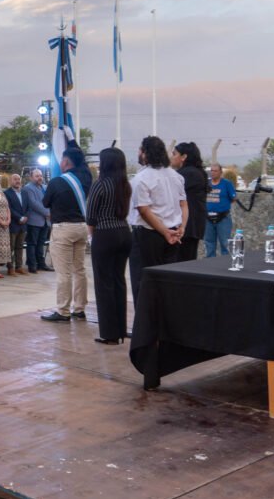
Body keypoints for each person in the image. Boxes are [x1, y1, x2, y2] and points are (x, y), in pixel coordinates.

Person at [129, 136, 187, 302]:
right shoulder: (176, 176)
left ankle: (145, 325)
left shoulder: (141, 179)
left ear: (146, 154)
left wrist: (164, 231)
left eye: (140, 150)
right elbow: (184, 205)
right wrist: (181, 226)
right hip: (173, 232)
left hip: (149, 234)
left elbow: (144, 210)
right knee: (166, 282)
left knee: (143, 282)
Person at [41, 148, 94, 322]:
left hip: (63, 229)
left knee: (64, 273)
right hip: (81, 227)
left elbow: (45, 202)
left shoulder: (57, 182)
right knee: (79, 269)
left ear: (66, 161)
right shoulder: (85, 179)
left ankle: (63, 310)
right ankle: (79, 308)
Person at [86, 148, 133, 344]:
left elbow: (90, 217)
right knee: (119, 281)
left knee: (104, 284)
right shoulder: (125, 185)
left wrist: (92, 239)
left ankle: (109, 333)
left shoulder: (100, 185)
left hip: (104, 234)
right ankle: (121, 329)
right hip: (124, 232)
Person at [172, 142, 208, 262]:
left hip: (187, 227)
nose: (172, 157)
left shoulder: (187, 174)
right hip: (191, 227)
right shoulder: (194, 172)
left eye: (174, 154)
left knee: (181, 263)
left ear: (184, 157)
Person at [204, 163, 237, 257]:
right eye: (212, 171)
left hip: (223, 218)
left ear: (220, 172)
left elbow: (233, 198)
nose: (213, 173)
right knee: (209, 243)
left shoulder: (226, 184)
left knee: (225, 243)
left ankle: (226, 264)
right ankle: (210, 265)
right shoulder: (206, 183)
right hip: (208, 218)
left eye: (215, 171)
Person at [23, 169, 52, 273]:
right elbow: (33, 204)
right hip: (34, 221)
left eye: (40, 176)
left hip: (45, 221)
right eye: (37, 176)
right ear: (31, 177)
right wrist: (48, 213)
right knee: (32, 243)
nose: (40, 178)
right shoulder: (28, 188)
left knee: (41, 243)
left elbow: (50, 201)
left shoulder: (45, 187)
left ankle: (41, 264)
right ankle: (32, 265)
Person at [4, 174, 29, 275]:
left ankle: (19, 266)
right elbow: (9, 208)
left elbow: (28, 207)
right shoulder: (7, 193)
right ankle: (10, 268)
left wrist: (26, 217)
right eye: (15, 179)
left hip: (23, 225)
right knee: (11, 247)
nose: (17, 181)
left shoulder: (24, 192)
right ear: (10, 181)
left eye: (19, 179)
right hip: (13, 224)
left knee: (20, 246)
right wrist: (19, 217)